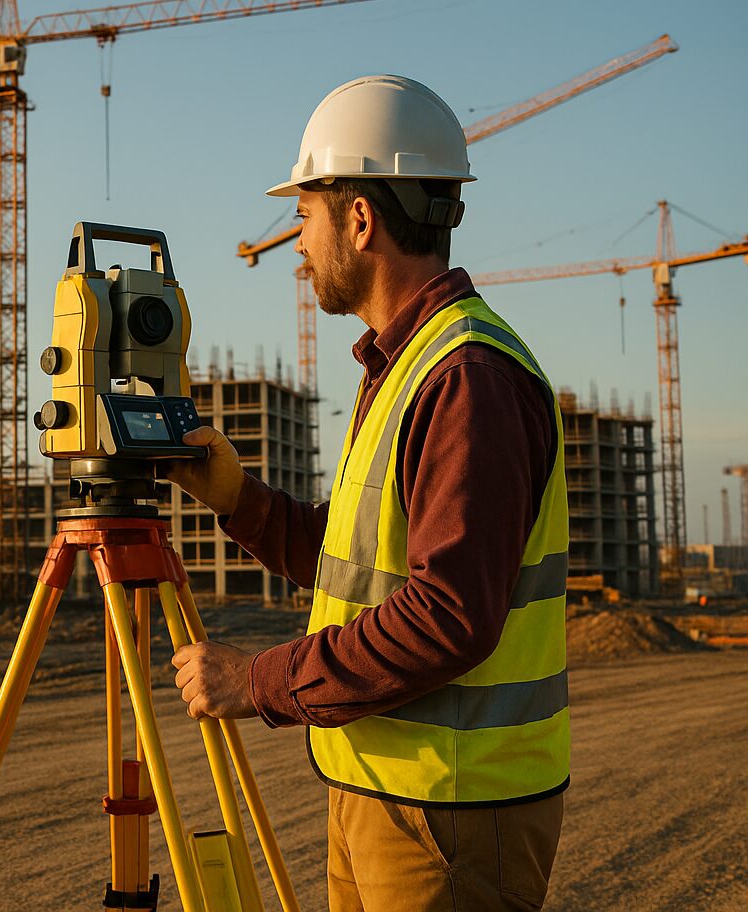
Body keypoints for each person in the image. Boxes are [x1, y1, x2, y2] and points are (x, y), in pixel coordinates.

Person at [166, 75, 569, 912]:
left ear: (360, 218)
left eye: (305, 214)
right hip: (387, 794)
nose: (296, 243)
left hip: (450, 811)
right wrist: (237, 499)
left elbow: (449, 613)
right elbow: (361, 563)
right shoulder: (406, 365)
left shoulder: (465, 378)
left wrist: (260, 680)